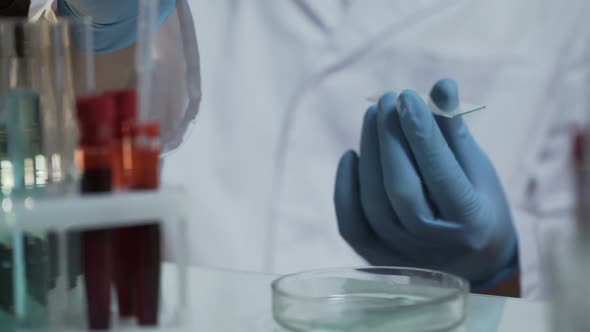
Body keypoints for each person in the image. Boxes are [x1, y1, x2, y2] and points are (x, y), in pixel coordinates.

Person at [30, 0, 590, 298]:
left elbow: (574, 277)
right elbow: (41, 141)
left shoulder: (563, 17)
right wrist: (87, 30)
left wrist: (498, 275)